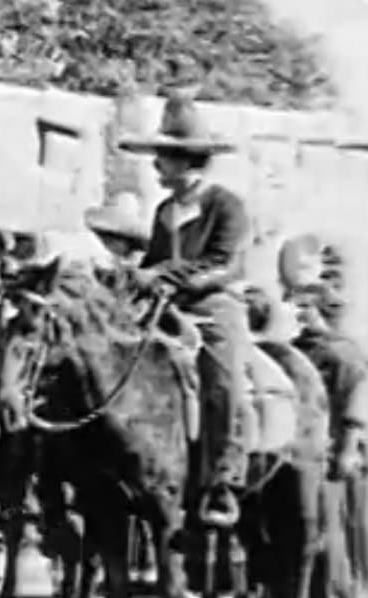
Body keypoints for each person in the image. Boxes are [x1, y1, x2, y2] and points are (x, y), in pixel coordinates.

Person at [120, 92, 252, 530]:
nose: (157, 166)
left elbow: (224, 263)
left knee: (223, 383)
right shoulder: (164, 211)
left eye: (164, 157)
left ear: (187, 159)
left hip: (213, 307)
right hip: (166, 308)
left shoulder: (226, 205)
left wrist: (164, 275)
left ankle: (223, 478)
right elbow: (153, 260)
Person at [290, 282, 368, 598]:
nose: (295, 313)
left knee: (336, 526)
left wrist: (348, 449)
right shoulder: (294, 350)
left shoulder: (343, 353)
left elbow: (355, 400)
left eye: (303, 307)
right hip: (302, 448)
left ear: (319, 310)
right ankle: (312, 597)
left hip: (336, 448)